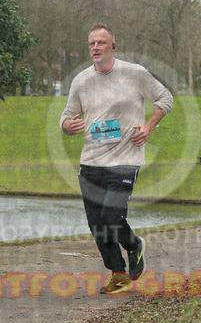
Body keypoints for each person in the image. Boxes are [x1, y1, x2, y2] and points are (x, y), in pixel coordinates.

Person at [60, 23, 173, 294]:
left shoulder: (134, 73)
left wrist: (148, 126)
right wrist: (68, 126)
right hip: (91, 161)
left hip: (125, 159)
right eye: (91, 43)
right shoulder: (81, 80)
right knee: (97, 226)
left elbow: (165, 98)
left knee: (111, 216)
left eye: (101, 42)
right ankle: (118, 274)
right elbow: (66, 117)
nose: (95, 47)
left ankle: (134, 245)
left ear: (113, 46)